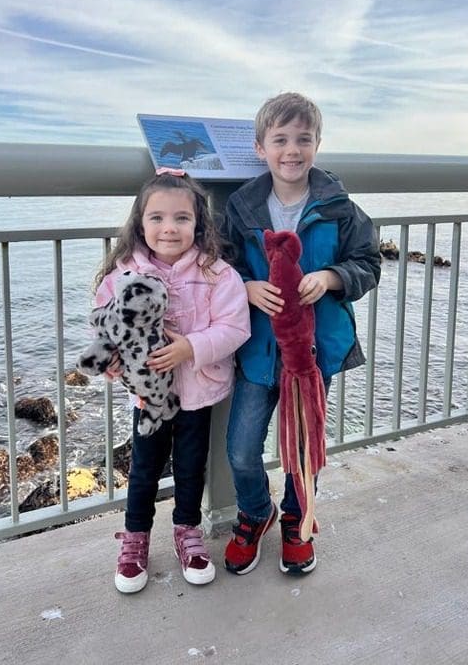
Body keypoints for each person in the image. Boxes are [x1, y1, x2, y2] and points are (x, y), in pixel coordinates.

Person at [224, 92, 381, 576]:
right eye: (280, 140)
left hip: (311, 353)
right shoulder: (241, 205)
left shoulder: (339, 206)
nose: (292, 150)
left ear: (317, 145)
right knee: (242, 448)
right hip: (257, 350)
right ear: (260, 148)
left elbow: (368, 263)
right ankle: (256, 512)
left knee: (302, 446)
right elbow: (220, 264)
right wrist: (246, 287)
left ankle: (297, 520)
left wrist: (332, 278)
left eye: (303, 140)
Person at [93, 167, 250, 594]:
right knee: (143, 470)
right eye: (157, 218)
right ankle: (135, 539)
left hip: (198, 395)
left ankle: (187, 532)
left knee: (189, 468)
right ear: (140, 224)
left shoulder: (218, 273)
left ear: (198, 223)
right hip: (148, 399)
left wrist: (191, 348)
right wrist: (112, 362)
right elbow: (108, 328)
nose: (169, 228)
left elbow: (235, 327)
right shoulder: (122, 273)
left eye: (181, 218)